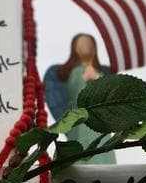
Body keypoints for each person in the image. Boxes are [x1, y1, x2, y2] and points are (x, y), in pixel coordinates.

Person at [43, 33, 116, 164]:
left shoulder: (101, 72)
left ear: (94, 48)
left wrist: (97, 78)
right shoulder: (76, 71)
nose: (85, 46)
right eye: (81, 44)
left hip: (101, 121)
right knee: (84, 150)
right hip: (83, 120)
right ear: (75, 49)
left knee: (103, 150)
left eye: (88, 43)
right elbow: (78, 94)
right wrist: (86, 79)